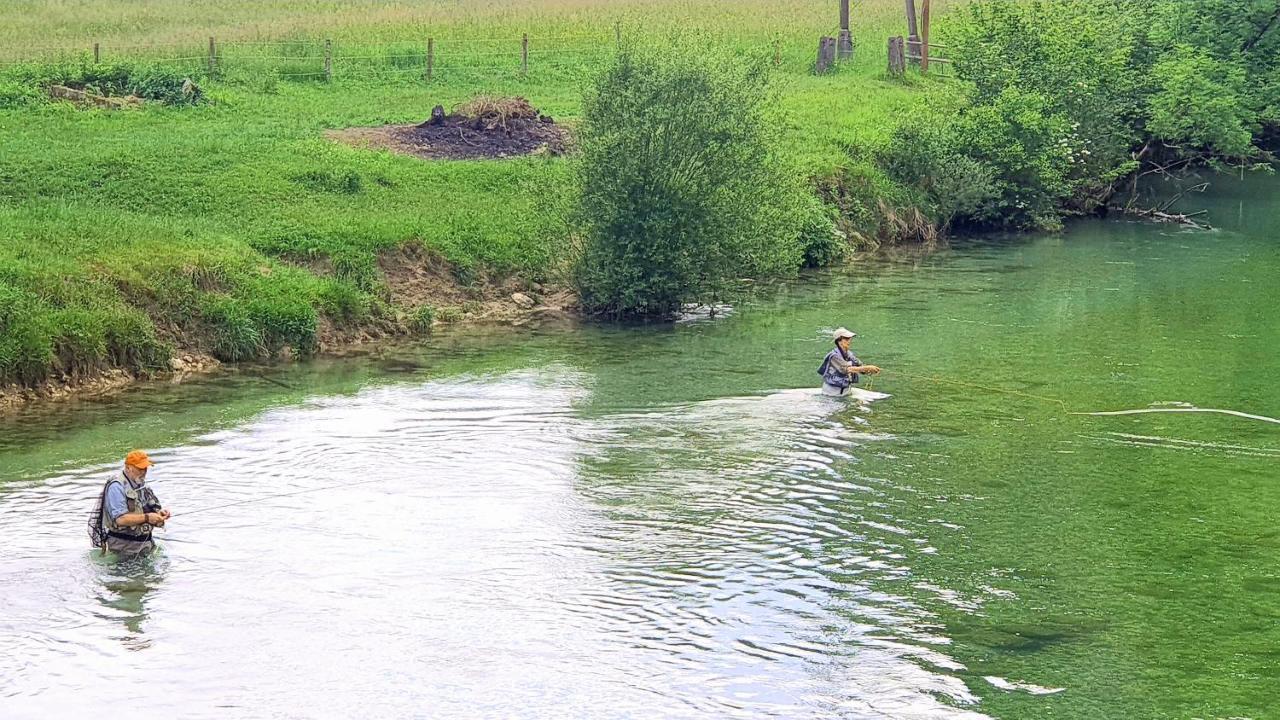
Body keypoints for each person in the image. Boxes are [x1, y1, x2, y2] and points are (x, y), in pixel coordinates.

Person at [88, 450, 170, 556]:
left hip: (145, 544)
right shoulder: (116, 487)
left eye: (145, 468)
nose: (144, 472)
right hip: (123, 547)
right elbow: (120, 519)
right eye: (140, 468)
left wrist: (159, 514)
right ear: (128, 468)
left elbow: (149, 507)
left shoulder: (141, 484)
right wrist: (148, 518)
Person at [818, 327, 880, 396]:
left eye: (850, 338)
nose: (849, 341)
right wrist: (867, 368)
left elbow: (859, 366)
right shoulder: (834, 356)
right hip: (831, 393)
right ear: (839, 341)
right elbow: (847, 369)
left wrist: (869, 371)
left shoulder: (850, 354)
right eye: (846, 339)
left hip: (845, 391)